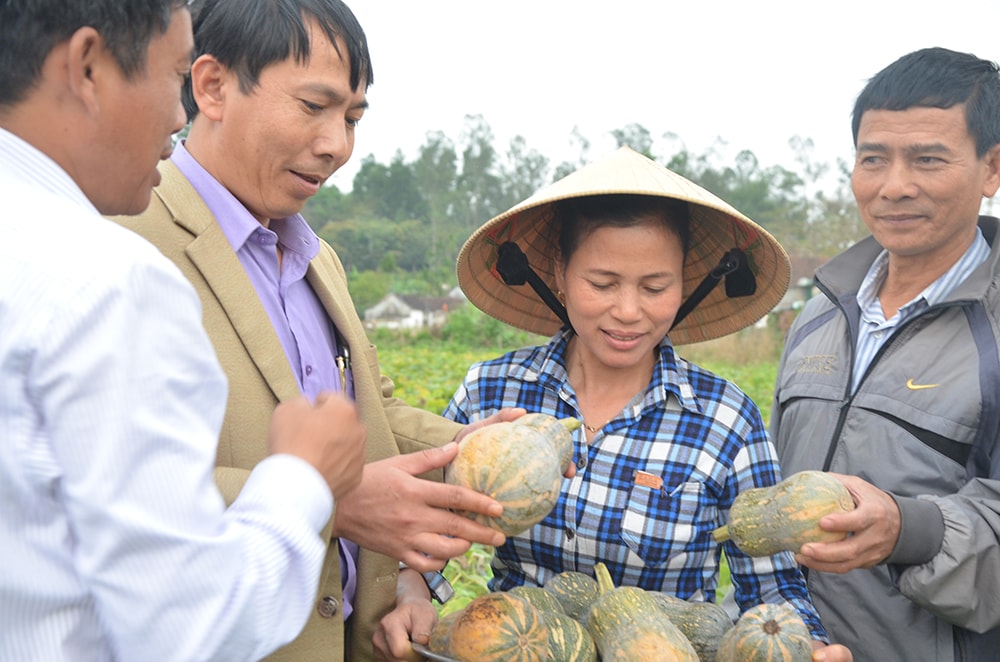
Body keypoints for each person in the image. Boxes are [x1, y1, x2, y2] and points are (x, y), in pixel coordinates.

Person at [111, 1, 524, 660]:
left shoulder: (315, 258)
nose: (337, 145)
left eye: (353, 118)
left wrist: (461, 448)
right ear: (212, 86)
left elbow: (367, 411)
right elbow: (105, 482)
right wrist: (327, 500)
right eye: (314, 107)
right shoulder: (125, 239)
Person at [0, 2, 370, 661]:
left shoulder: (318, 256)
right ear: (88, 67)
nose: (178, 117)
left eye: (351, 118)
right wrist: (304, 480)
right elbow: (191, 625)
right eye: (171, 77)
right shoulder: (108, 275)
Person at [440, 145, 852, 659]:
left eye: (655, 286)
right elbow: (426, 526)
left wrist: (804, 643)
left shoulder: (725, 419)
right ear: (560, 275)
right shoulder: (491, 390)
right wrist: (413, 587)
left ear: (684, 285)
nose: (629, 311)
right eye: (602, 283)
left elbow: (770, 581)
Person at [771, 47, 1000, 662]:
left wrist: (910, 530)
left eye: (927, 159)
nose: (894, 186)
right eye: (874, 159)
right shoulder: (820, 316)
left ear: (992, 167)